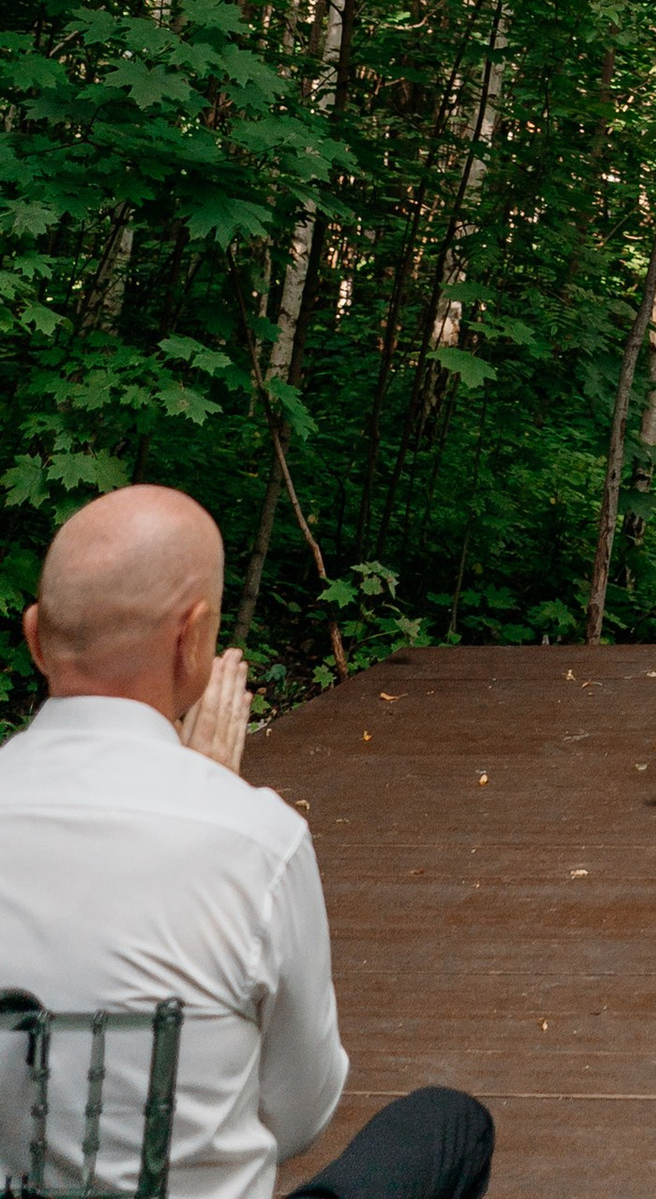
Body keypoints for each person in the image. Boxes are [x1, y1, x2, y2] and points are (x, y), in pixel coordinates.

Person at [0, 485, 493, 1199]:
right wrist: (205, 791)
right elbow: (298, 1114)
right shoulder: (253, 842)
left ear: (35, 636)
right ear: (192, 639)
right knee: (449, 1125)